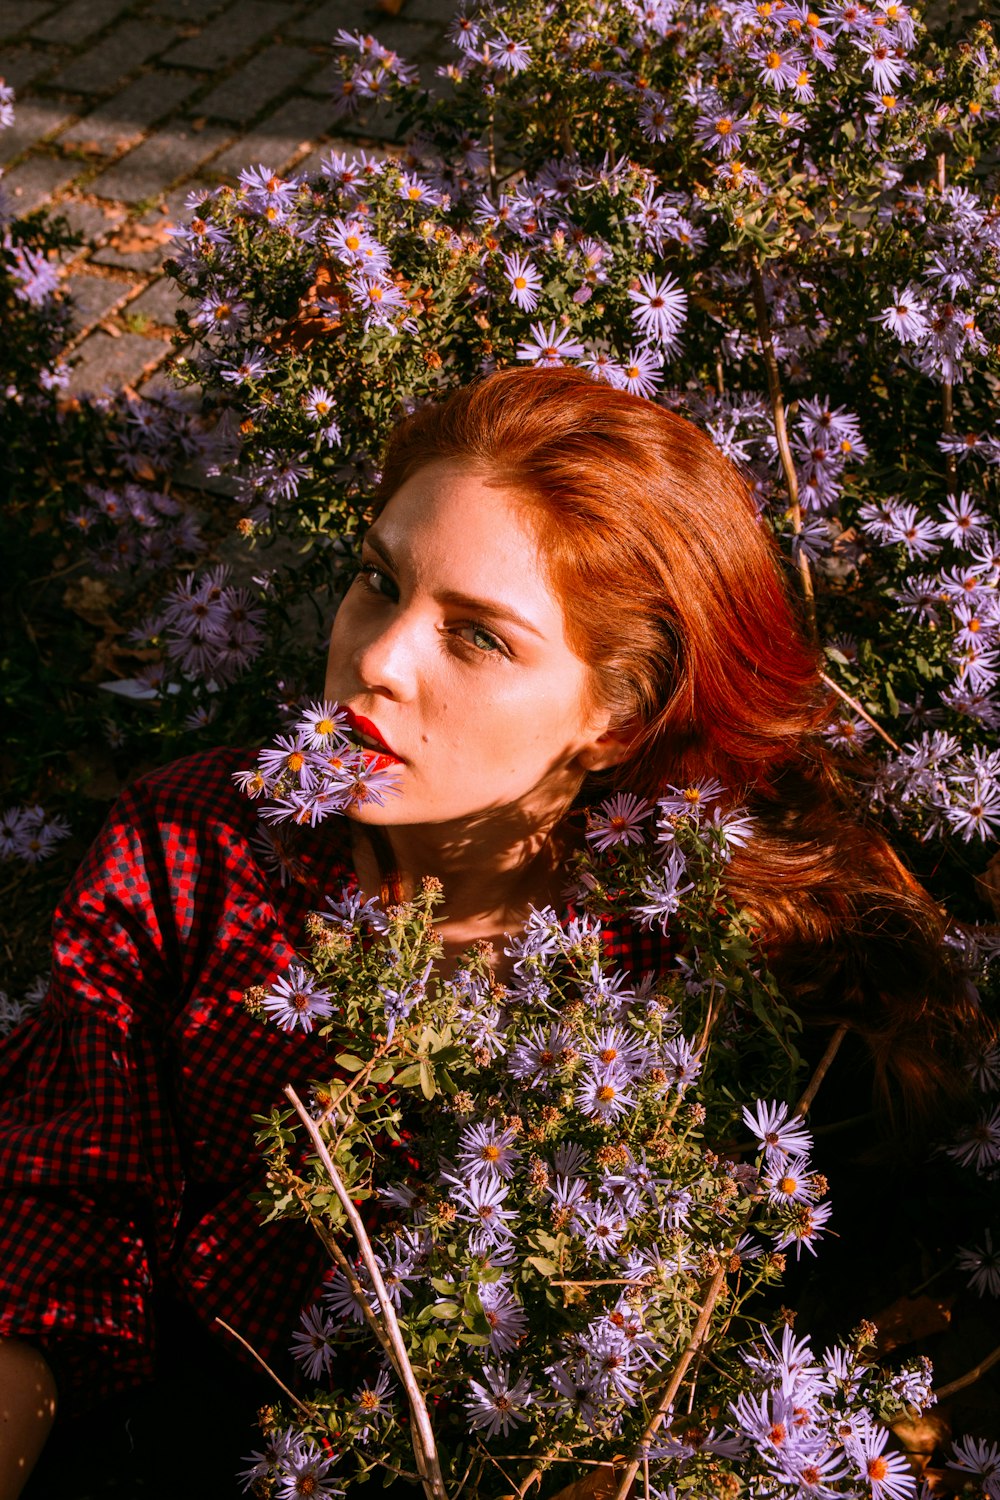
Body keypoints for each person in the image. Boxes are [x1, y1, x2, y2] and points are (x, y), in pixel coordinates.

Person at [0, 367, 976, 1499]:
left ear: (615, 717)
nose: (376, 659)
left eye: (479, 639)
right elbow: (56, 1201)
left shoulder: (693, 979)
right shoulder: (201, 839)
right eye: (378, 581)